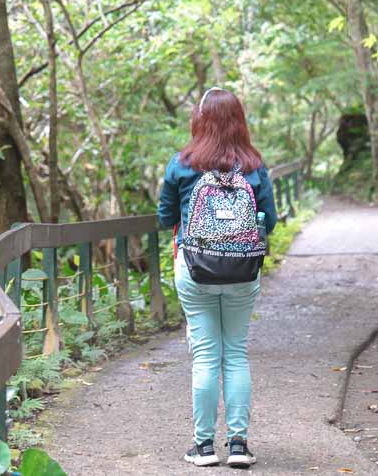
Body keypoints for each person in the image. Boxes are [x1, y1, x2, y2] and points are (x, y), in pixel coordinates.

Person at [158, 87, 277, 468]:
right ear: (239, 121)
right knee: (236, 352)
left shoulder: (182, 163)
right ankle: (239, 446)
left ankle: (204, 446)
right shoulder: (255, 166)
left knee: (206, 355)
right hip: (243, 271)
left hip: (195, 269)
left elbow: (164, 218)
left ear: (199, 120)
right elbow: (270, 221)